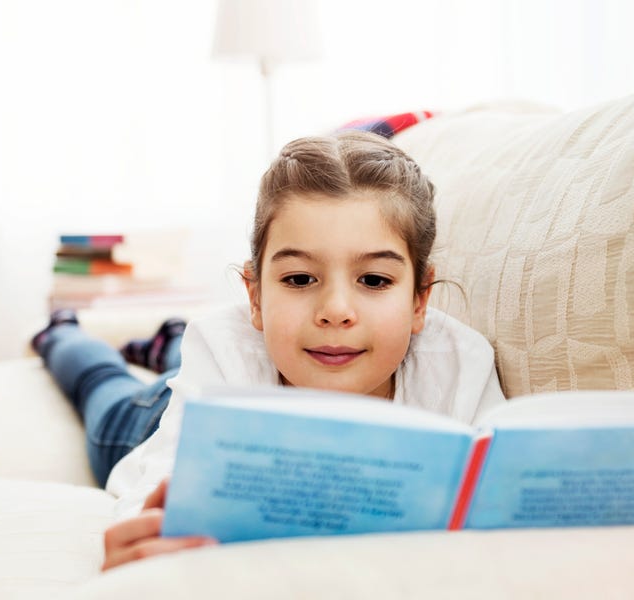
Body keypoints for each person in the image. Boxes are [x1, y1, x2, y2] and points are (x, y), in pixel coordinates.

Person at [32, 130, 506, 571]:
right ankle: (62, 335)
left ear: (420, 299)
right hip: (149, 416)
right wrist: (146, 540)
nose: (336, 311)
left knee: (181, 348)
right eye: (300, 279)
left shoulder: (460, 363)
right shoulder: (224, 345)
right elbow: (160, 481)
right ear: (255, 296)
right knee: (103, 387)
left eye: (374, 280)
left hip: (230, 355)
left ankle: (164, 340)